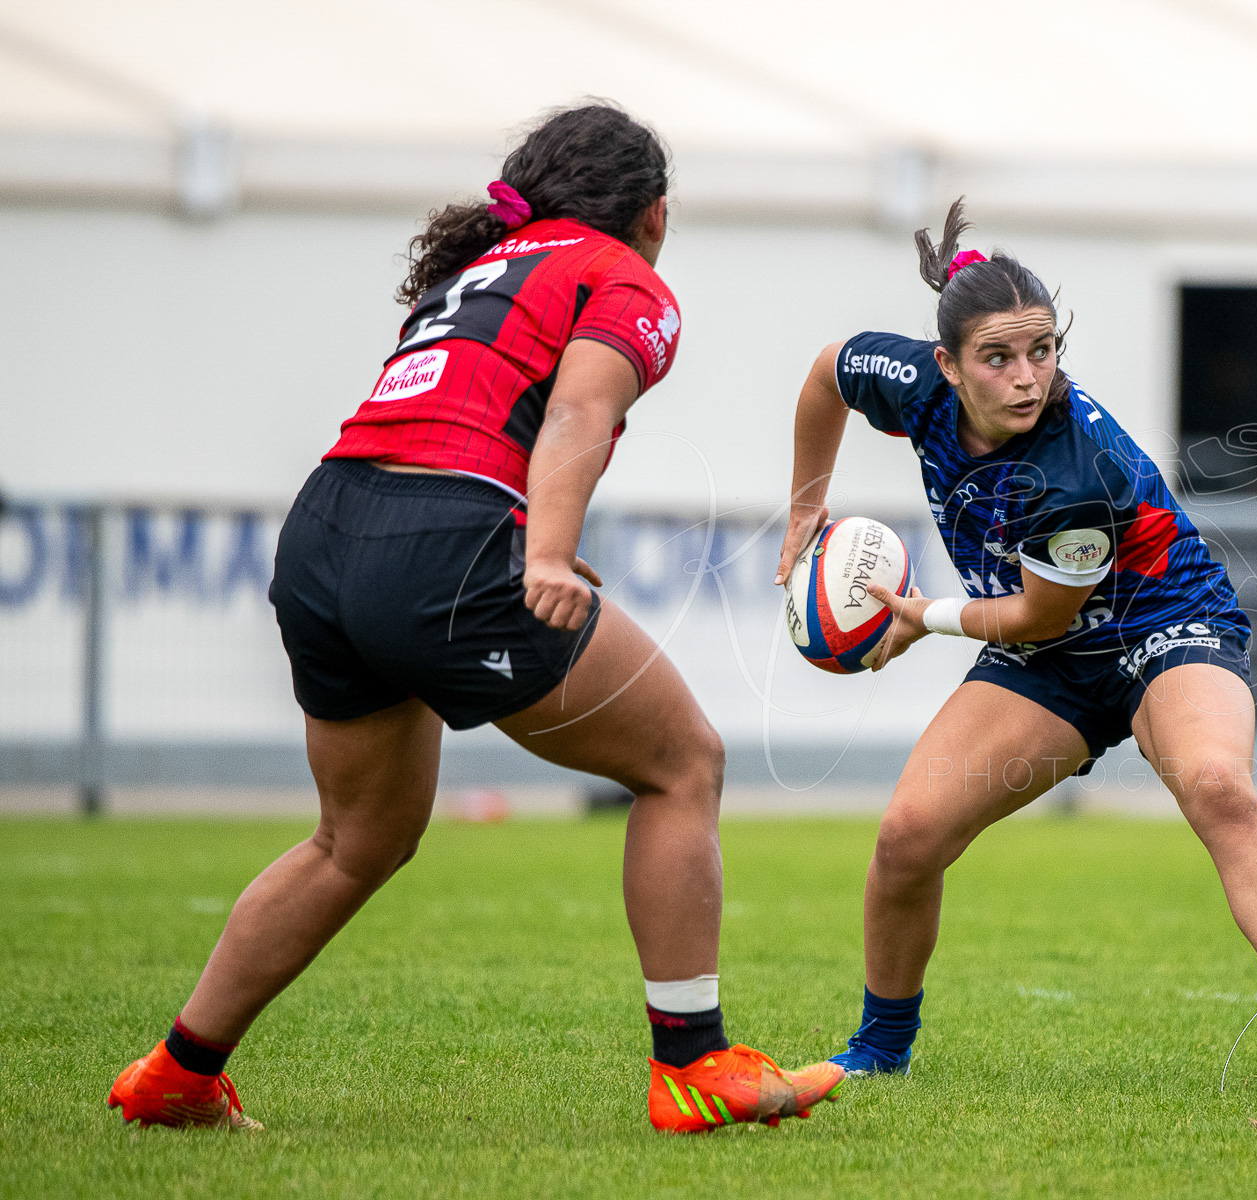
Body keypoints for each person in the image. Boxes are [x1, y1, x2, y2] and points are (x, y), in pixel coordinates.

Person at [107, 102, 842, 1135]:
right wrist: (538, 553)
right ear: (656, 213)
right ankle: (692, 1065)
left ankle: (178, 1073)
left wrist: (521, 529)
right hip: (443, 547)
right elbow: (582, 408)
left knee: (353, 839)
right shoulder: (624, 274)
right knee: (685, 763)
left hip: (324, 532)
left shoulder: (478, 270)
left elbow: (458, 421)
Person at [774, 199, 1257, 1090]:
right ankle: (880, 1052)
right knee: (907, 837)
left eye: (1043, 350)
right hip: (1048, 656)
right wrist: (802, 510)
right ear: (946, 365)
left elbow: (1034, 619)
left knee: (1216, 785)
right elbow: (827, 372)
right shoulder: (909, 384)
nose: (1028, 377)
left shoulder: (1071, 466)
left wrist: (920, 616)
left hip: (1165, 619)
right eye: (999, 357)